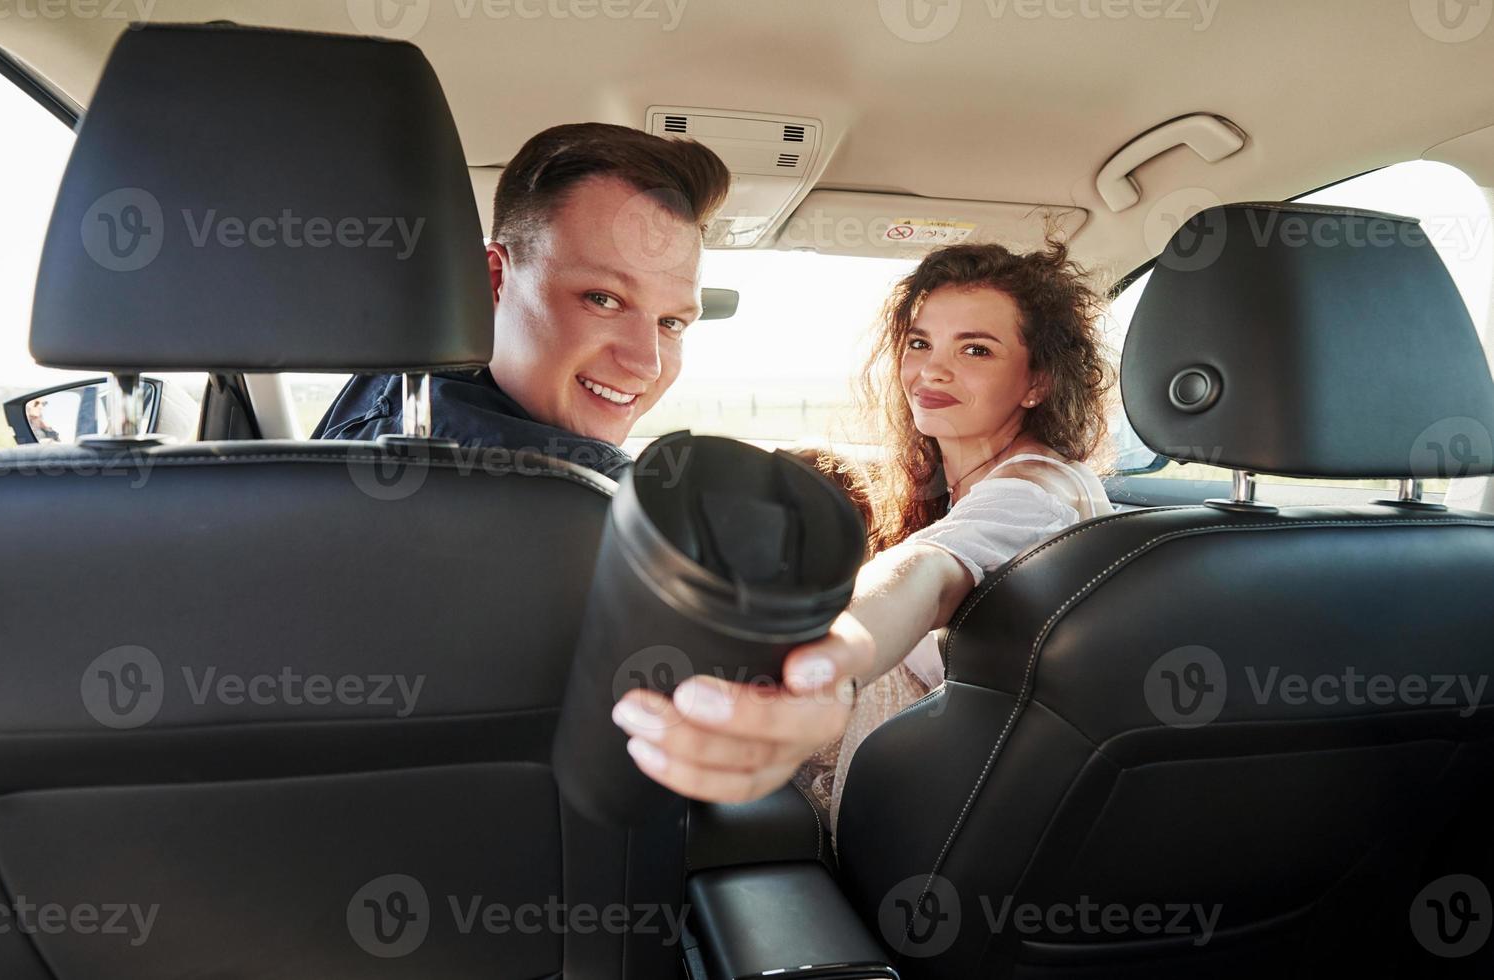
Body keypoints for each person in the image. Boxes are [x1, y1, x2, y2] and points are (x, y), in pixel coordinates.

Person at [611, 241, 1114, 827]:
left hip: (926, 813)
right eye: (920, 343)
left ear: (1038, 382)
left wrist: (827, 668)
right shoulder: (980, 479)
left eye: (976, 349)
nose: (933, 370)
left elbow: (929, 569)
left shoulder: (1032, 494)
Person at [313, 122, 731, 478]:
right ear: (494, 280)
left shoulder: (396, 390)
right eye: (603, 299)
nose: (646, 364)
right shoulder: (589, 494)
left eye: (671, 323)